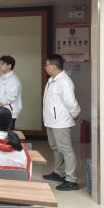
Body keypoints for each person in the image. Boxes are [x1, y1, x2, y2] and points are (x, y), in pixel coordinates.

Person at [42, 54, 81, 191]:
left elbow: (71, 102)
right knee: (55, 147)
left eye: (46, 65)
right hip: (51, 121)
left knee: (66, 150)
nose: (45, 67)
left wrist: (75, 114)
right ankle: (59, 172)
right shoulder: (52, 80)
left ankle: (71, 180)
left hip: (60, 122)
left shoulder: (64, 81)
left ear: (54, 66)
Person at [0, 55, 23, 130]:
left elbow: (10, 96)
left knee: (6, 134)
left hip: (9, 112)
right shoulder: (1, 78)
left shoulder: (14, 79)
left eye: (2, 64)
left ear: (9, 66)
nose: (0, 66)